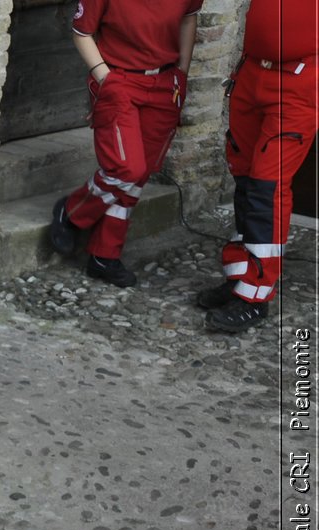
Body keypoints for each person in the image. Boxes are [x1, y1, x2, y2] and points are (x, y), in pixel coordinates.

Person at [46, 0, 199, 288]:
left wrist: (182, 71)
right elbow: (81, 32)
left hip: (167, 82)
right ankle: (72, 210)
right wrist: (106, 78)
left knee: (140, 174)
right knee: (126, 169)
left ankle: (105, 255)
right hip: (119, 80)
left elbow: (189, 18)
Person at [195, 0, 317, 332]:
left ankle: (255, 298)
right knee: (246, 178)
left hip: (298, 82)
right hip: (252, 73)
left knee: (268, 185)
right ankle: (241, 278)